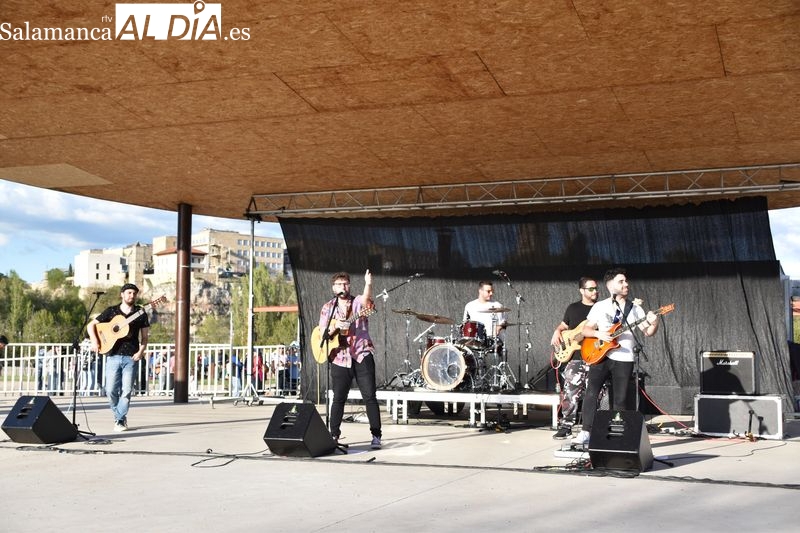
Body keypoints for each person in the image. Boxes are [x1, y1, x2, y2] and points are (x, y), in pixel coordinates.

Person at [572, 268, 659, 447]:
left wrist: (655, 321)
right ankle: (586, 431)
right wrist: (599, 334)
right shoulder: (600, 306)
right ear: (610, 285)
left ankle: (616, 434)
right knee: (591, 392)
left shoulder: (635, 309)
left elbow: (648, 332)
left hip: (624, 357)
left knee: (620, 399)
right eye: (621, 281)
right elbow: (585, 330)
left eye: (626, 281)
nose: (626, 284)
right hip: (600, 355)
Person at [319, 270, 382, 450]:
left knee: (370, 396)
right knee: (338, 398)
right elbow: (322, 333)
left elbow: (366, 300)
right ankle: (334, 435)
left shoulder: (357, 303)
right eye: (339, 284)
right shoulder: (328, 308)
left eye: (345, 283)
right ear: (334, 288)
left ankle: (376, 435)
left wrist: (368, 284)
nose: (343, 287)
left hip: (361, 353)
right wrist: (335, 327)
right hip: (340, 357)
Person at [87, 283, 150, 432]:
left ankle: (120, 420)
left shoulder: (140, 313)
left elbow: (145, 337)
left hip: (131, 356)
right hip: (113, 355)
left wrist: (141, 352)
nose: (132, 296)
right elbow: (91, 325)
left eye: (134, 293)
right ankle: (119, 416)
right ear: (122, 294)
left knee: (127, 390)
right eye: (129, 293)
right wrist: (95, 341)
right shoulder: (112, 311)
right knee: (110, 390)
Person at [549, 277, 599, 439]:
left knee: (596, 393)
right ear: (582, 291)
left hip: (595, 356)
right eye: (591, 289)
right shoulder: (573, 308)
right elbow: (564, 325)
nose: (595, 291)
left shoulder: (601, 308)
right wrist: (557, 331)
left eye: (596, 288)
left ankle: (592, 426)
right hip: (576, 357)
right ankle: (566, 425)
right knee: (570, 392)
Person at [462, 280, 507, 348]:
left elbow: (504, 322)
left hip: (493, 342)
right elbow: (465, 324)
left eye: (492, 291)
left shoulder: (497, 305)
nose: (491, 293)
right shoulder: (470, 306)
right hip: (474, 343)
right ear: (480, 291)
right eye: (488, 291)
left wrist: (499, 327)